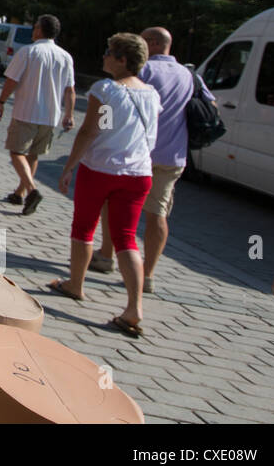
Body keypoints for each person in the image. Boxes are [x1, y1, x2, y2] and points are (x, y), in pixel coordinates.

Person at [49, 33, 160, 339]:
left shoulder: (105, 89)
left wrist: (69, 166)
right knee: (126, 238)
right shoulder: (151, 93)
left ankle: (75, 284)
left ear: (123, 59)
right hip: (138, 173)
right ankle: (134, 308)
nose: (104, 57)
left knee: (84, 227)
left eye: (109, 52)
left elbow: (89, 131)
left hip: (101, 169)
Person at [89, 26, 214, 292]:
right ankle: (147, 274)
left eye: (142, 41)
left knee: (115, 205)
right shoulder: (190, 74)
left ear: (154, 43)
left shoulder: (143, 71)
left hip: (136, 154)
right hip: (173, 156)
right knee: (157, 214)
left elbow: (113, 108)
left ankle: (106, 255)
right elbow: (210, 104)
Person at [0, 14, 76, 216]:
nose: (33, 30)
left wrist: (1, 101)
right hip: (50, 115)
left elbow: (12, 80)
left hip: (26, 111)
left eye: (35, 27)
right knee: (34, 154)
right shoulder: (65, 57)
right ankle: (19, 192)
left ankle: (31, 190)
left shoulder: (28, 52)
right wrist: (69, 115)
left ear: (40, 30)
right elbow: (70, 89)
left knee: (16, 152)